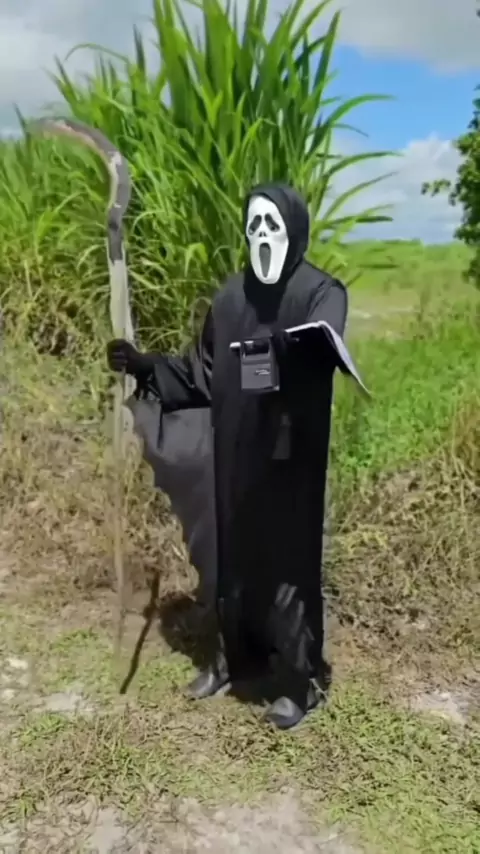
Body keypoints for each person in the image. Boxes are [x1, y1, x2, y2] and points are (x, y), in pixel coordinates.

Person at [107, 182, 364, 730]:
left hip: (289, 457)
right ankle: (231, 662)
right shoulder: (229, 299)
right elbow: (199, 373)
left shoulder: (320, 291)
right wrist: (144, 364)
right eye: (254, 225)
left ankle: (296, 683)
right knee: (233, 560)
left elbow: (324, 347)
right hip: (236, 454)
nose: (262, 235)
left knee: (288, 565)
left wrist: (284, 354)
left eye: (273, 224)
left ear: (293, 230)